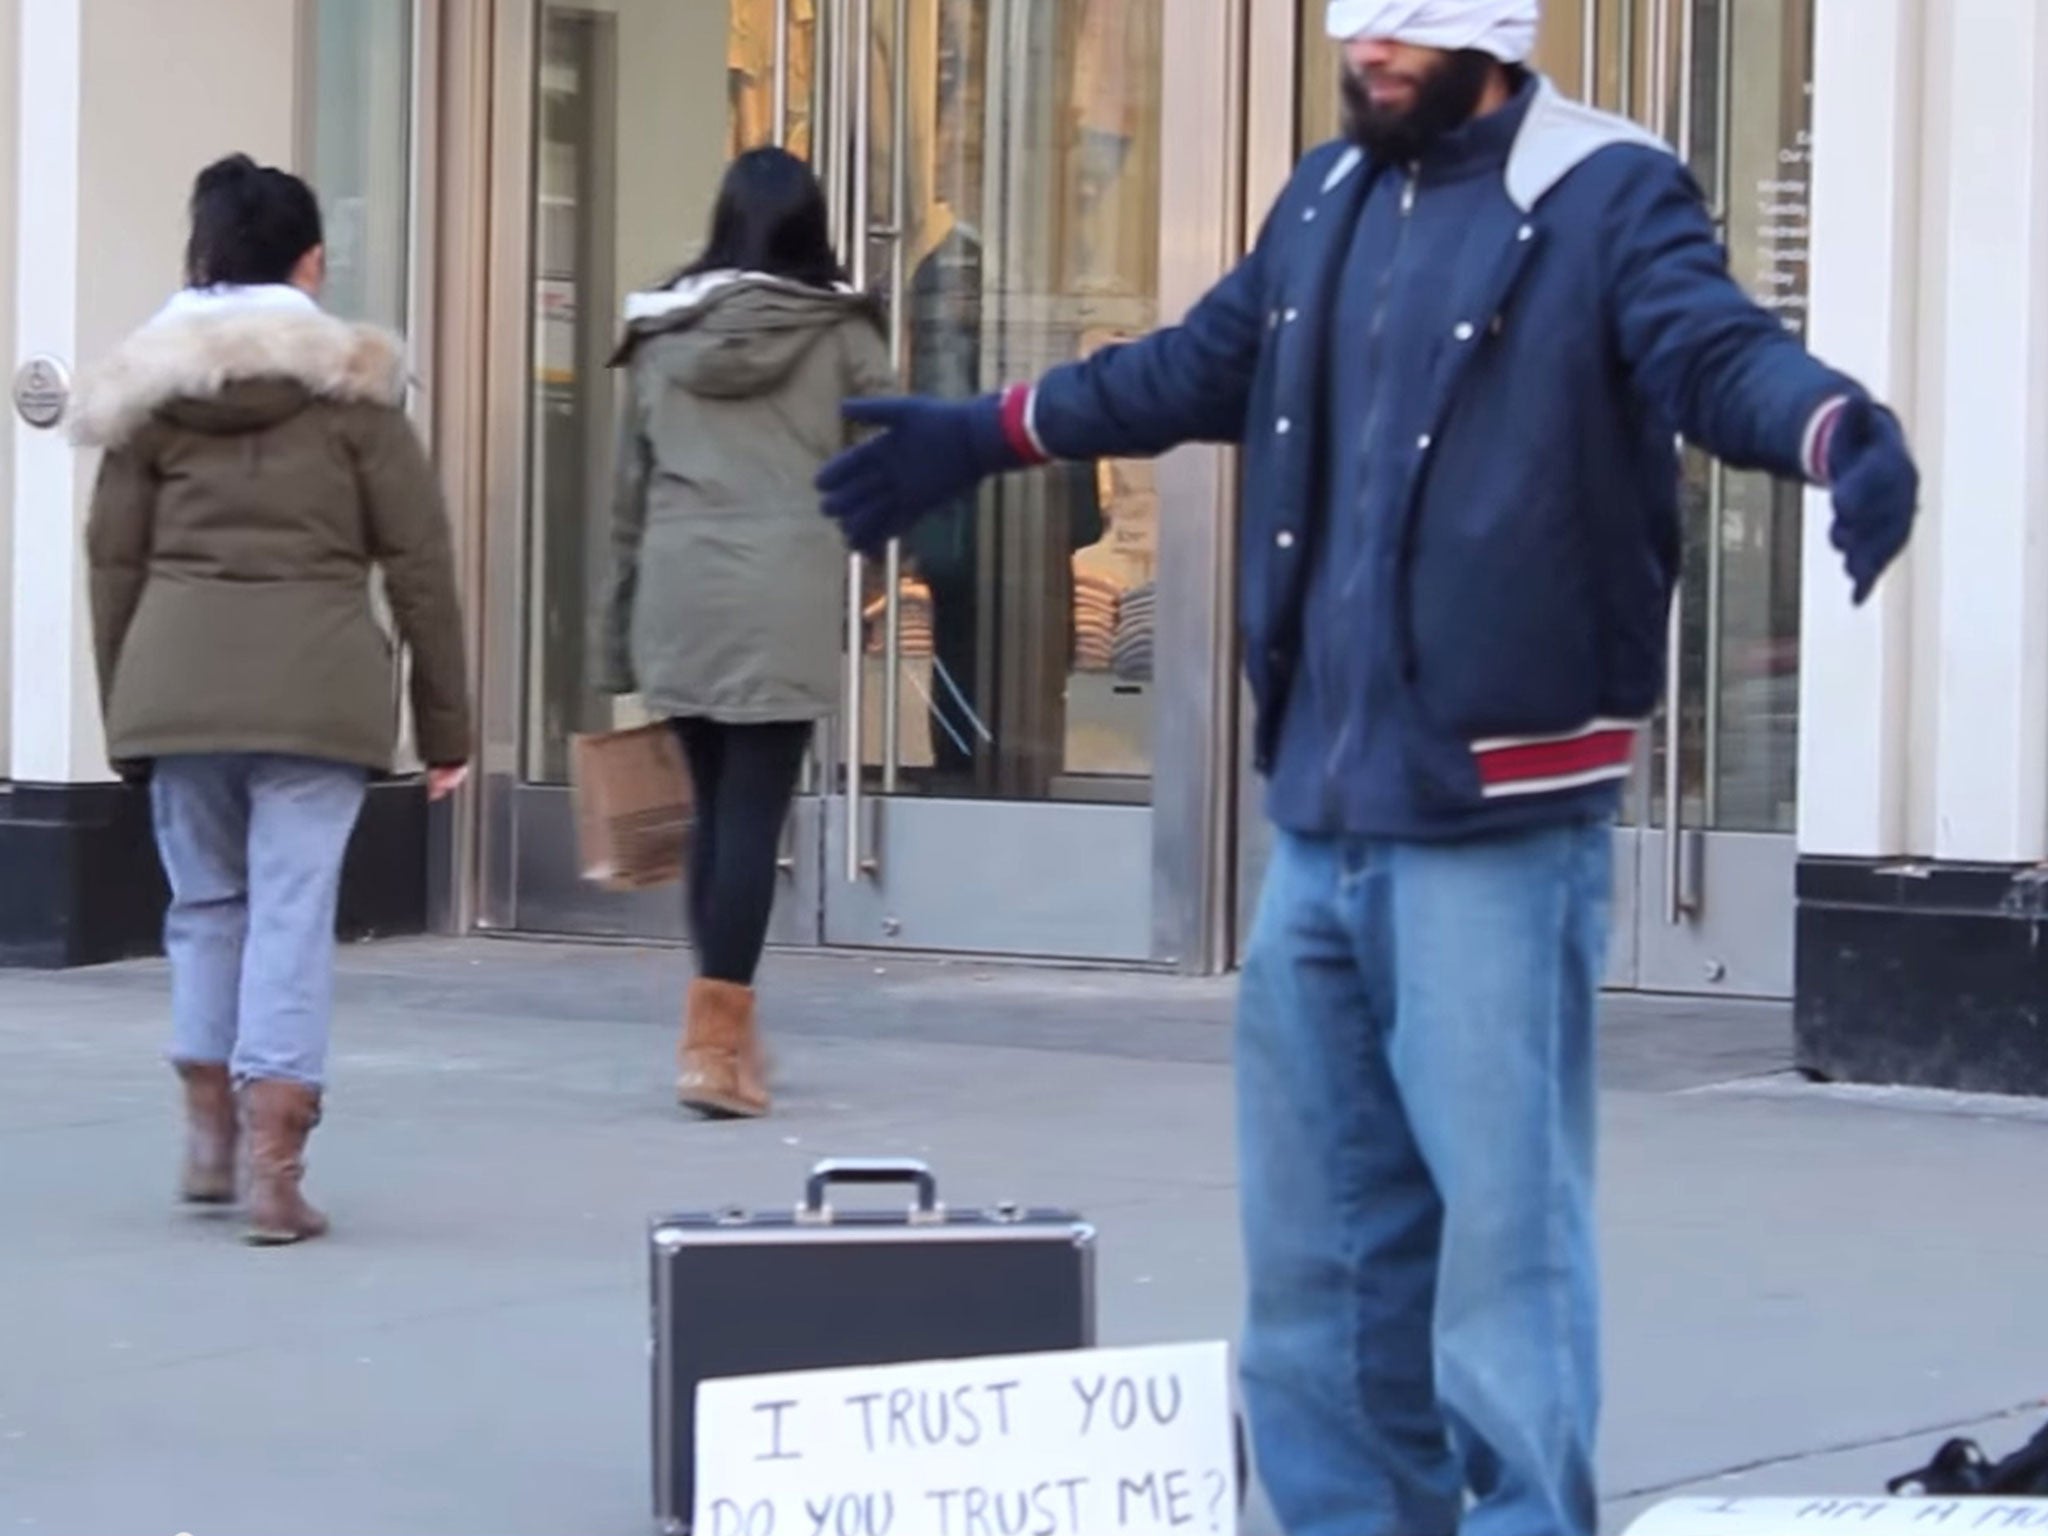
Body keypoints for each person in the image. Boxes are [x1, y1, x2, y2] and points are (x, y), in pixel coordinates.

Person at [814, 3, 1920, 1532]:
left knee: (1499, 1253)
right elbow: (1202, 364)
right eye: (1362, 27)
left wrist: (1830, 426)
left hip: (1496, 814)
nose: (1375, 53)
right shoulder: (1331, 193)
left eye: (1409, 30)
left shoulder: (1603, 189)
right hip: (1323, 815)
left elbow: (1709, 350)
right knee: (1320, 1252)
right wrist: (994, 428)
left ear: (1494, 31)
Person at [72, 154, 473, 1245]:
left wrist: (130, 711)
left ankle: (207, 1131)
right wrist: (447, 727)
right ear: (313, 262)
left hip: (176, 685)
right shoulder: (356, 399)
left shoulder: (151, 404)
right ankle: (275, 1165)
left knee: (205, 907)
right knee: (290, 914)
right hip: (320, 694)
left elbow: (113, 563)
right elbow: (419, 562)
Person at [598, 146, 893, 1120]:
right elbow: (886, 458)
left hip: (679, 587)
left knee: (710, 817)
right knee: (749, 822)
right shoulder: (842, 333)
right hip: (782, 584)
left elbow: (624, 499)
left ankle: (721, 1034)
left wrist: (611, 635)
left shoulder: (657, 331)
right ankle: (714, 1047)